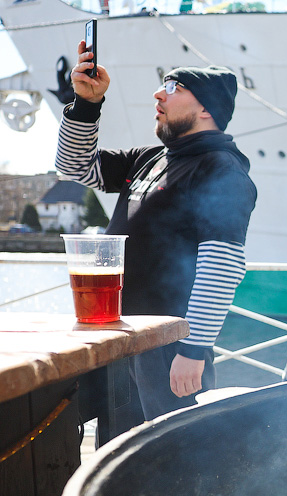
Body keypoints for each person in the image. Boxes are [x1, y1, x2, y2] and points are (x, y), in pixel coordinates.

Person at [55, 40, 257, 426]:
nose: (157, 94)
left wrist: (194, 349)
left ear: (205, 108)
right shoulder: (150, 157)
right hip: (120, 336)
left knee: (170, 460)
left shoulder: (222, 169)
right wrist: (85, 105)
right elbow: (74, 166)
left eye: (172, 88)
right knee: (115, 448)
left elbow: (223, 264)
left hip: (168, 346)